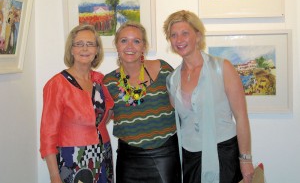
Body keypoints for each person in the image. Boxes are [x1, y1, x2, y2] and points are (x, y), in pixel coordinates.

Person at [163, 10, 254, 183]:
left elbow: (241, 117)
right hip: (190, 157)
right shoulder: (172, 80)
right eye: (173, 35)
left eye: (185, 33)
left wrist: (245, 159)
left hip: (224, 153)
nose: (179, 40)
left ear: (197, 36)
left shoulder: (222, 68)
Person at [103, 21, 181, 183]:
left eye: (136, 41)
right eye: (124, 40)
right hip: (128, 158)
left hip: (164, 155)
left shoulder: (163, 70)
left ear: (144, 46)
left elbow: (183, 106)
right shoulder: (108, 82)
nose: (130, 46)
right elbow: (104, 117)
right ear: (116, 45)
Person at [40, 24, 114, 183]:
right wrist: (54, 175)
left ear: (97, 50)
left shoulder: (101, 80)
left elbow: (107, 113)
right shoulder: (57, 84)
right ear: (71, 49)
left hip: (103, 154)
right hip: (73, 158)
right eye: (79, 44)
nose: (84, 49)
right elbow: (47, 135)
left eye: (90, 44)